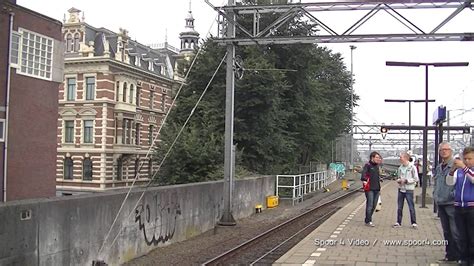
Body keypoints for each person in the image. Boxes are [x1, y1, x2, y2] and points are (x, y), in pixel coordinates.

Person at [433, 142, 461, 263]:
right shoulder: (439, 167)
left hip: (451, 203)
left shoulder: (456, 166)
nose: (444, 152)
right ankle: (450, 255)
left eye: (446, 149)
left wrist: (453, 196)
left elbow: (458, 184)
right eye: (441, 150)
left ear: (451, 151)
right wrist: (435, 195)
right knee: (446, 231)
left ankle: (460, 256)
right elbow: (437, 183)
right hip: (441, 202)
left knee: (455, 231)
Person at [446, 146, 474, 266]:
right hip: (458, 206)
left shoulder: (468, 170)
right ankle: (463, 258)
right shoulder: (460, 171)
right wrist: (452, 170)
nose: (467, 161)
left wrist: (464, 167)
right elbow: (449, 182)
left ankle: (472, 259)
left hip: (472, 207)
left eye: (470, 158)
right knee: (461, 235)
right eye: (465, 158)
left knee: (472, 235)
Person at [393, 152, 419, 229]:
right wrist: (399, 180)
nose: (400, 159)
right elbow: (398, 177)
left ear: (406, 158)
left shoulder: (412, 167)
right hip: (401, 189)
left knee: (411, 206)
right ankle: (398, 222)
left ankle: (414, 222)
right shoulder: (400, 168)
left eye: (401, 157)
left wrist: (407, 180)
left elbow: (416, 178)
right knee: (399, 207)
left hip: (409, 190)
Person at [360, 151, 382, 227]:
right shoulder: (368, 165)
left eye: (379, 157)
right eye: (377, 157)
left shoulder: (377, 166)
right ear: (372, 158)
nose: (378, 159)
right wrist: (365, 180)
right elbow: (363, 175)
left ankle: (367, 219)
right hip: (369, 189)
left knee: (374, 205)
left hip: (377, 188)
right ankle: (368, 221)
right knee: (370, 204)